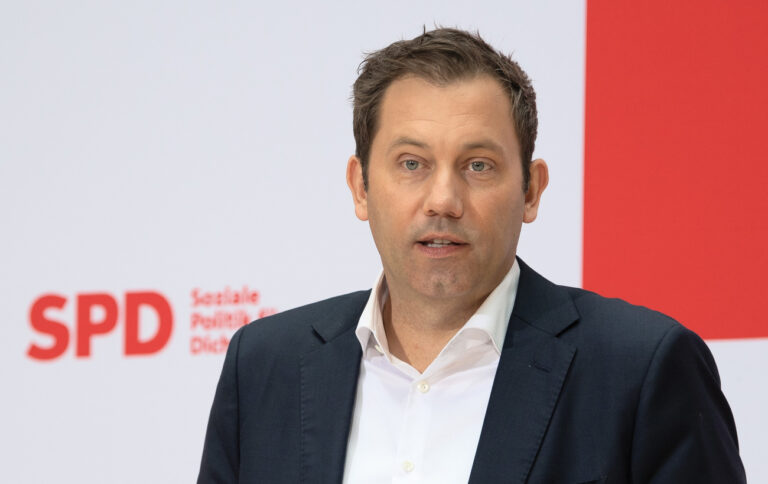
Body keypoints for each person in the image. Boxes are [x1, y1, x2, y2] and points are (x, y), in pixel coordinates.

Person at [198, 28, 745, 483]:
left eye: (478, 165)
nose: (443, 200)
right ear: (360, 187)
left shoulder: (640, 368)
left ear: (531, 190)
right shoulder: (264, 366)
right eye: (412, 163)